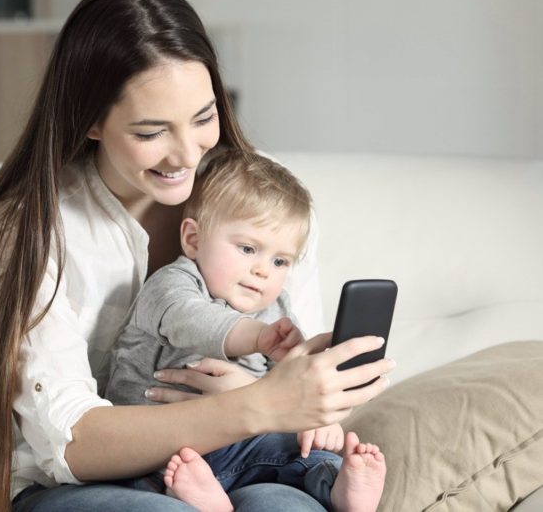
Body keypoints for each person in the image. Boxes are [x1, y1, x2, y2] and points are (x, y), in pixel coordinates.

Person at [0, 0, 395, 512]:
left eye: (204, 118)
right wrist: (255, 406)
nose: (187, 153)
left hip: (239, 463)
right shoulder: (25, 233)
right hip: (72, 488)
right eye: (152, 131)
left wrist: (310, 402)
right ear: (90, 119)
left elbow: (291, 379)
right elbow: (69, 446)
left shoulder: (266, 209)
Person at [105, 151, 386, 511]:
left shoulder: (278, 308)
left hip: (244, 448)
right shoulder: (172, 285)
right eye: (248, 248)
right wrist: (257, 337)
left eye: (280, 260)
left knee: (305, 451)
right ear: (193, 239)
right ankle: (197, 497)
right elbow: (188, 320)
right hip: (161, 441)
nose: (263, 270)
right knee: (145, 474)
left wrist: (318, 419)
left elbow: (292, 386)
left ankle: (336, 487)